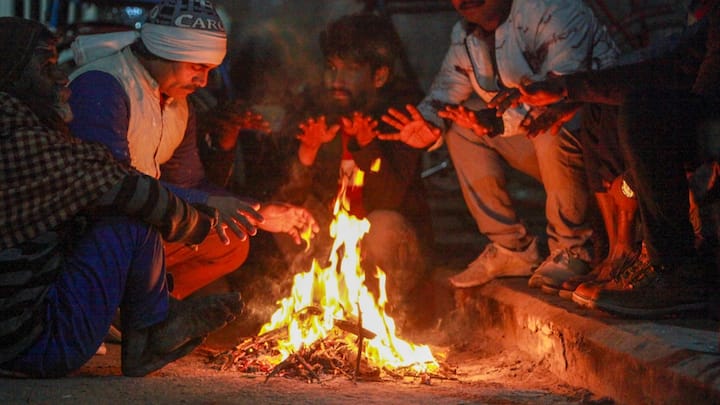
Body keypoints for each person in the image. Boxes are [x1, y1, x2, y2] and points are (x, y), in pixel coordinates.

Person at [0, 16, 246, 378]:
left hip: (28, 322)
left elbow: (183, 180)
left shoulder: (179, 107)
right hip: (30, 344)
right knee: (132, 215)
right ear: (11, 75)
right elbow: (117, 183)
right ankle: (150, 328)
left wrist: (223, 174)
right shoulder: (89, 94)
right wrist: (194, 221)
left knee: (227, 239)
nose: (61, 77)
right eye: (46, 66)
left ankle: (151, 316)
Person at [66, 0, 318, 299]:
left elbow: (189, 183)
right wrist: (211, 203)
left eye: (210, 70)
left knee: (230, 240)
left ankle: (136, 315)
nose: (204, 81)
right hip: (88, 229)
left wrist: (259, 212)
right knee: (130, 229)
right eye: (197, 67)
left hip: (139, 219)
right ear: (166, 49)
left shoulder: (177, 102)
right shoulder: (103, 86)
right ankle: (100, 307)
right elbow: (112, 187)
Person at [490, 0, 719, 317]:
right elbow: (667, 63)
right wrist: (566, 89)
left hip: (711, 117)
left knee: (644, 110)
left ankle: (674, 272)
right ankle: (617, 252)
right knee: (611, 104)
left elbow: (688, 83)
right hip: (707, 113)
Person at [380, 0, 618, 291]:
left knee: (553, 122)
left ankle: (572, 248)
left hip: (604, 149)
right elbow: (445, 94)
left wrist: (495, 122)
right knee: (459, 124)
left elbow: (562, 92)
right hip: (542, 147)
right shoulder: (466, 35)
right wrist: (429, 123)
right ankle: (511, 248)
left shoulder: (553, 10)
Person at [273, 13, 433, 317]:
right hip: (330, 247)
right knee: (286, 217)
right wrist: (308, 149)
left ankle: (388, 317)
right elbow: (289, 194)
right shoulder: (315, 110)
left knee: (383, 227)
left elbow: (390, 200)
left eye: (352, 70)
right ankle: (318, 309)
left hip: (384, 252)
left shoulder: (400, 117)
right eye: (333, 68)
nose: (337, 81)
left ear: (379, 76)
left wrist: (366, 146)